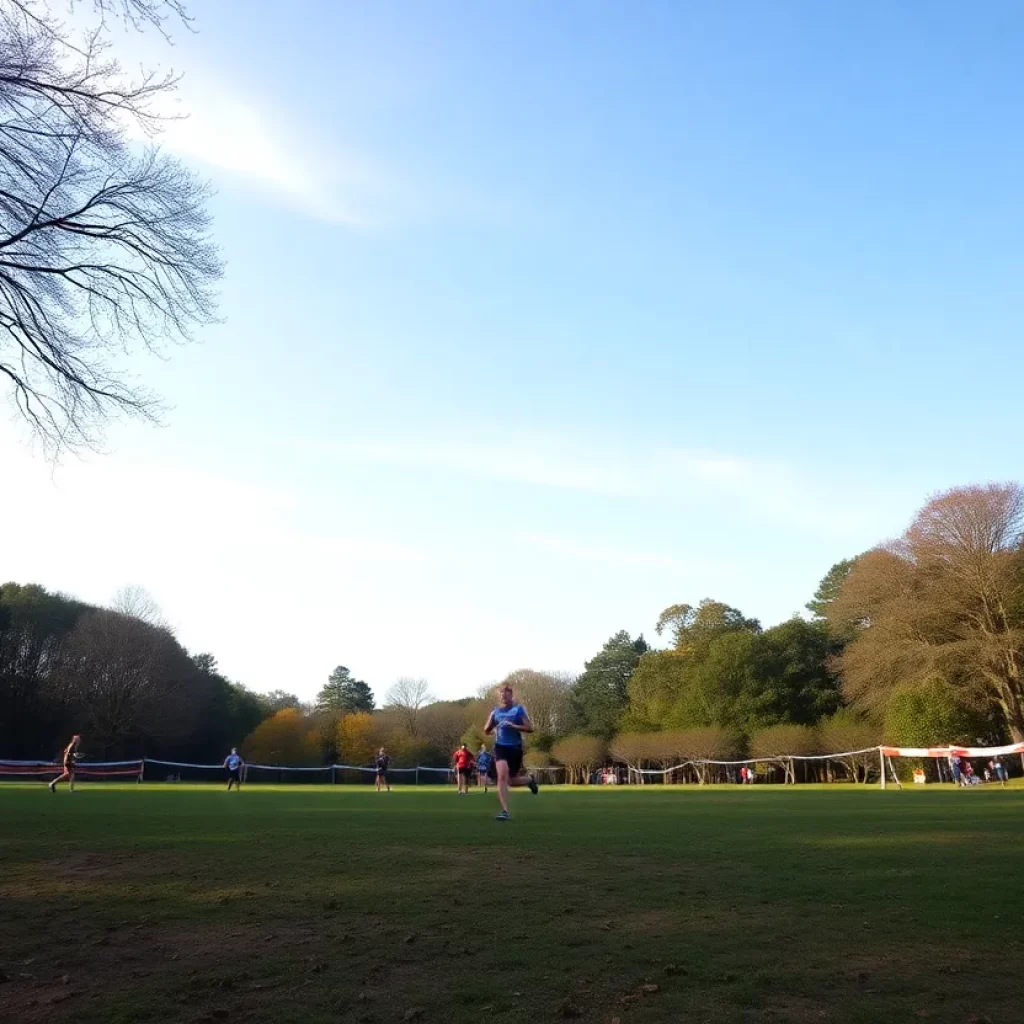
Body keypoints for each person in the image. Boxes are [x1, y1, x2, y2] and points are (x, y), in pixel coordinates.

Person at [483, 684, 539, 821]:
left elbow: (530, 728)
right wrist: (493, 727)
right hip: (500, 747)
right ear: (499, 696)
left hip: (515, 749)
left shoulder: (518, 710)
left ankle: (529, 780)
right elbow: (486, 730)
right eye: (501, 693)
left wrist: (514, 726)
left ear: (511, 695)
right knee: (502, 776)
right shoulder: (495, 712)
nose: (504, 695)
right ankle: (505, 811)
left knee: (510, 781)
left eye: (506, 693)